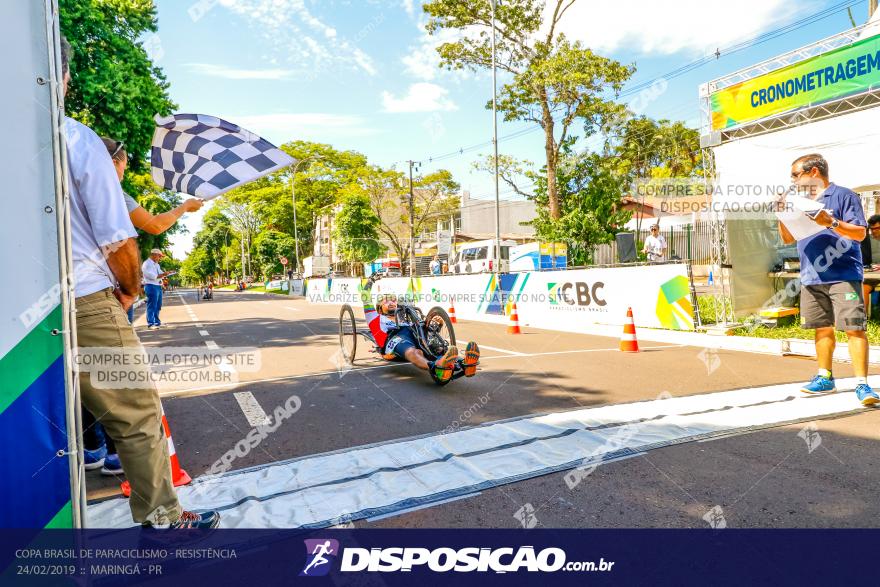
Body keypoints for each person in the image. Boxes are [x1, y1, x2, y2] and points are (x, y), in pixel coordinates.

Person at [60, 36, 219, 528]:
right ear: (61, 74)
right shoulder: (75, 140)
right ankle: (164, 520)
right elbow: (126, 236)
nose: (124, 170)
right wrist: (127, 289)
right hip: (84, 297)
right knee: (135, 414)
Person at [778, 153, 877, 406]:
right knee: (822, 327)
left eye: (795, 175)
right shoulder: (799, 201)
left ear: (813, 172)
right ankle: (825, 377)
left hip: (842, 273)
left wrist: (830, 221)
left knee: (854, 327)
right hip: (811, 275)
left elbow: (859, 233)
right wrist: (781, 214)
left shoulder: (844, 195)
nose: (792, 180)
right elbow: (788, 239)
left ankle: (862, 384)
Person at [101, 138, 203, 323]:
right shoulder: (111, 193)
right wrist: (185, 206)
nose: (124, 170)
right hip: (101, 289)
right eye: (124, 165)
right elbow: (155, 225)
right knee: (124, 350)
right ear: (114, 163)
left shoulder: (70, 187)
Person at [361, 275, 479, 384]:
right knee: (414, 352)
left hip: (413, 334)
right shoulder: (374, 317)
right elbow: (365, 295)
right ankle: (435, 367)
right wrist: (371, 280)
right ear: (379, 307)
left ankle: (465, 365)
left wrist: (435, 328)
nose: (391, 302)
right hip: (394, 338)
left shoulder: (404, 317)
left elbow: (420, 330)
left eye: (393, 300)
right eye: (386, 300)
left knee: (435, 347)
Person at [142, 249, 171, 329]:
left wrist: (167, 273)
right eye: (159, 256)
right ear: (154, 255)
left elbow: (161, 273)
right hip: (151, 286)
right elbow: (150, 276)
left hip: (158, 286)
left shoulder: (156, 264)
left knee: (158, 305)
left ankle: (157, 322)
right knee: (152, 305)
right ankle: (151, 324)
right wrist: (162, 275)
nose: (160, 258)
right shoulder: (147, 264)